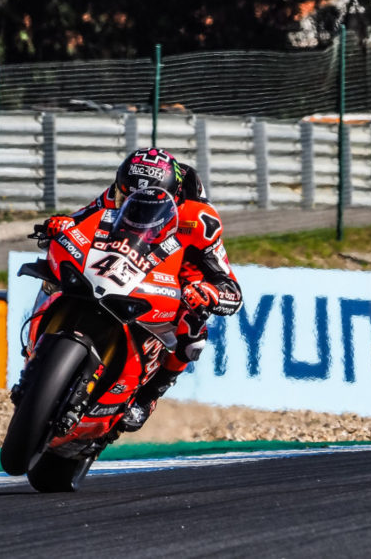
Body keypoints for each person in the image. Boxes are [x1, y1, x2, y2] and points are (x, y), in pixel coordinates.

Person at [39, 147, 243, 432]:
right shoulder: (116, 194)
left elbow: (230, 287)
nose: (130, 203)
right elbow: (79, 221)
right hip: (118, 263)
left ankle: (148, 397)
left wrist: (207, 293)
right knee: (54, 271)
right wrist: (60, 224)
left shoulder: (199, 220)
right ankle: (38, 346)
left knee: (193, 331)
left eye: (147, 200)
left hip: (176, 282)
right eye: (127, 196)